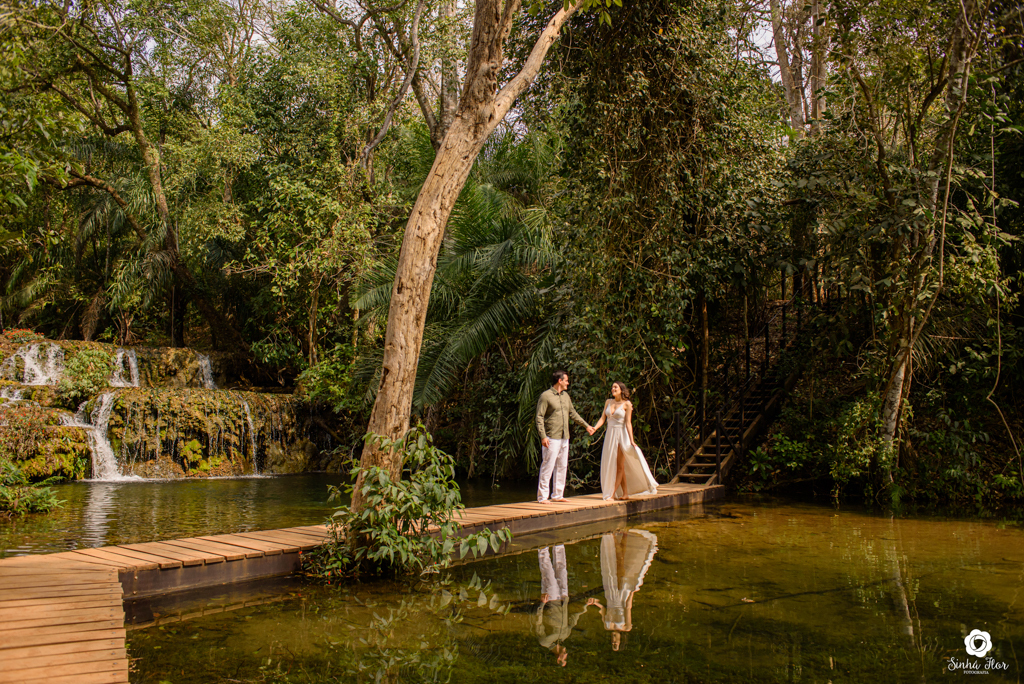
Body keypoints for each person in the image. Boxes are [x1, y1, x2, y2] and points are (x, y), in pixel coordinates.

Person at [586, 529, 659, 652]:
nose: (614, 640)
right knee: (620, 565)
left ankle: (614, 536)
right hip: (622, 595)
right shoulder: (626, 627)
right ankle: (623, 535)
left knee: (612, 567)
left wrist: (595, 603)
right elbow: (628, 608)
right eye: (616, 642)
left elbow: (603, 609)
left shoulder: (606, 626)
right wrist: (632, 592)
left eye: (613, 642)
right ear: (620, 640)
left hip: (610, 595)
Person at [590, 381, 658, 501]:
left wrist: (632, 440)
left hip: (621, 436)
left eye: (615, 387)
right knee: (612, 464)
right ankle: (625, 493)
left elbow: (628, 423)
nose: (613, 389)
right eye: (612, 387)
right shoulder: (608, 402)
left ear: (621, 389)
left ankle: (612, 494)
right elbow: (602, 418)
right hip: (610, 435)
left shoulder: (627, 404)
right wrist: (595, 428)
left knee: (619, 466)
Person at [535, 370, 594, 503]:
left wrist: (586, 426)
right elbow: (539, 417)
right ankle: (542, 497)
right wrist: (543, 436)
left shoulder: (566, 396)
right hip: (551, 436)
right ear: (559, 381)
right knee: (548, 466)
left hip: (564, 436)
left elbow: (573, 413)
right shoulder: (546, 396)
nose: (568, 383)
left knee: (562, 466)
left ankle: (557, 495)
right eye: (566, 380)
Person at [534, 544, 588, 667]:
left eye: (564, 658)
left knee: (548, 572)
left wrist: (542, 604)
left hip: (551, 600)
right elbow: (573, 620)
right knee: (562, 570)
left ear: (558, 659)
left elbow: (538, 622)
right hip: (564, 599)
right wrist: (585, 607)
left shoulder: (545, 641)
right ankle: (559, 545)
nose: (566, 654)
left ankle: (543, 547)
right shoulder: (565, 635)